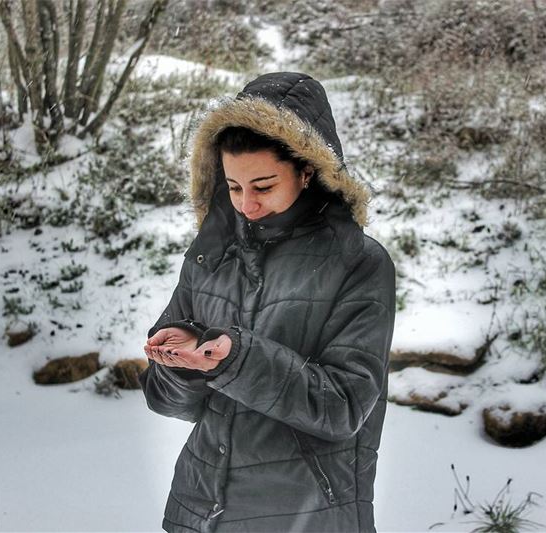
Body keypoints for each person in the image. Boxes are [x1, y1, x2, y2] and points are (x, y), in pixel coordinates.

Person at [139, 72, 396, 533]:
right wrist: (181, 363)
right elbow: (168, 401)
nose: (246, 205)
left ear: (307, 170)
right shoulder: (210, 252)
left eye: (262, 186)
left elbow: (343, 408)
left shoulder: (358, 263)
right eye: (234, 187)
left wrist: (235, 359)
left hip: (308, 515)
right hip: (198, 511)